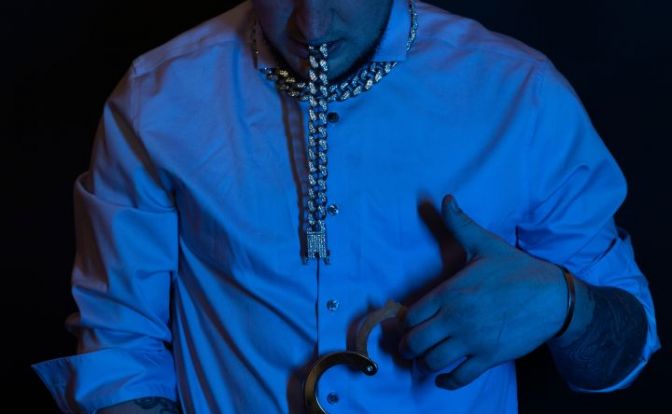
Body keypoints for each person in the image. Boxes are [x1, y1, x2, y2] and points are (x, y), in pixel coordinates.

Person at [32, 0, 661, 413]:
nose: (312, 25)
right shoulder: (156, 99)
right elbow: (120, 345)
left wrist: (563, 305)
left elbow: (623, 351)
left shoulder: (521, 95)